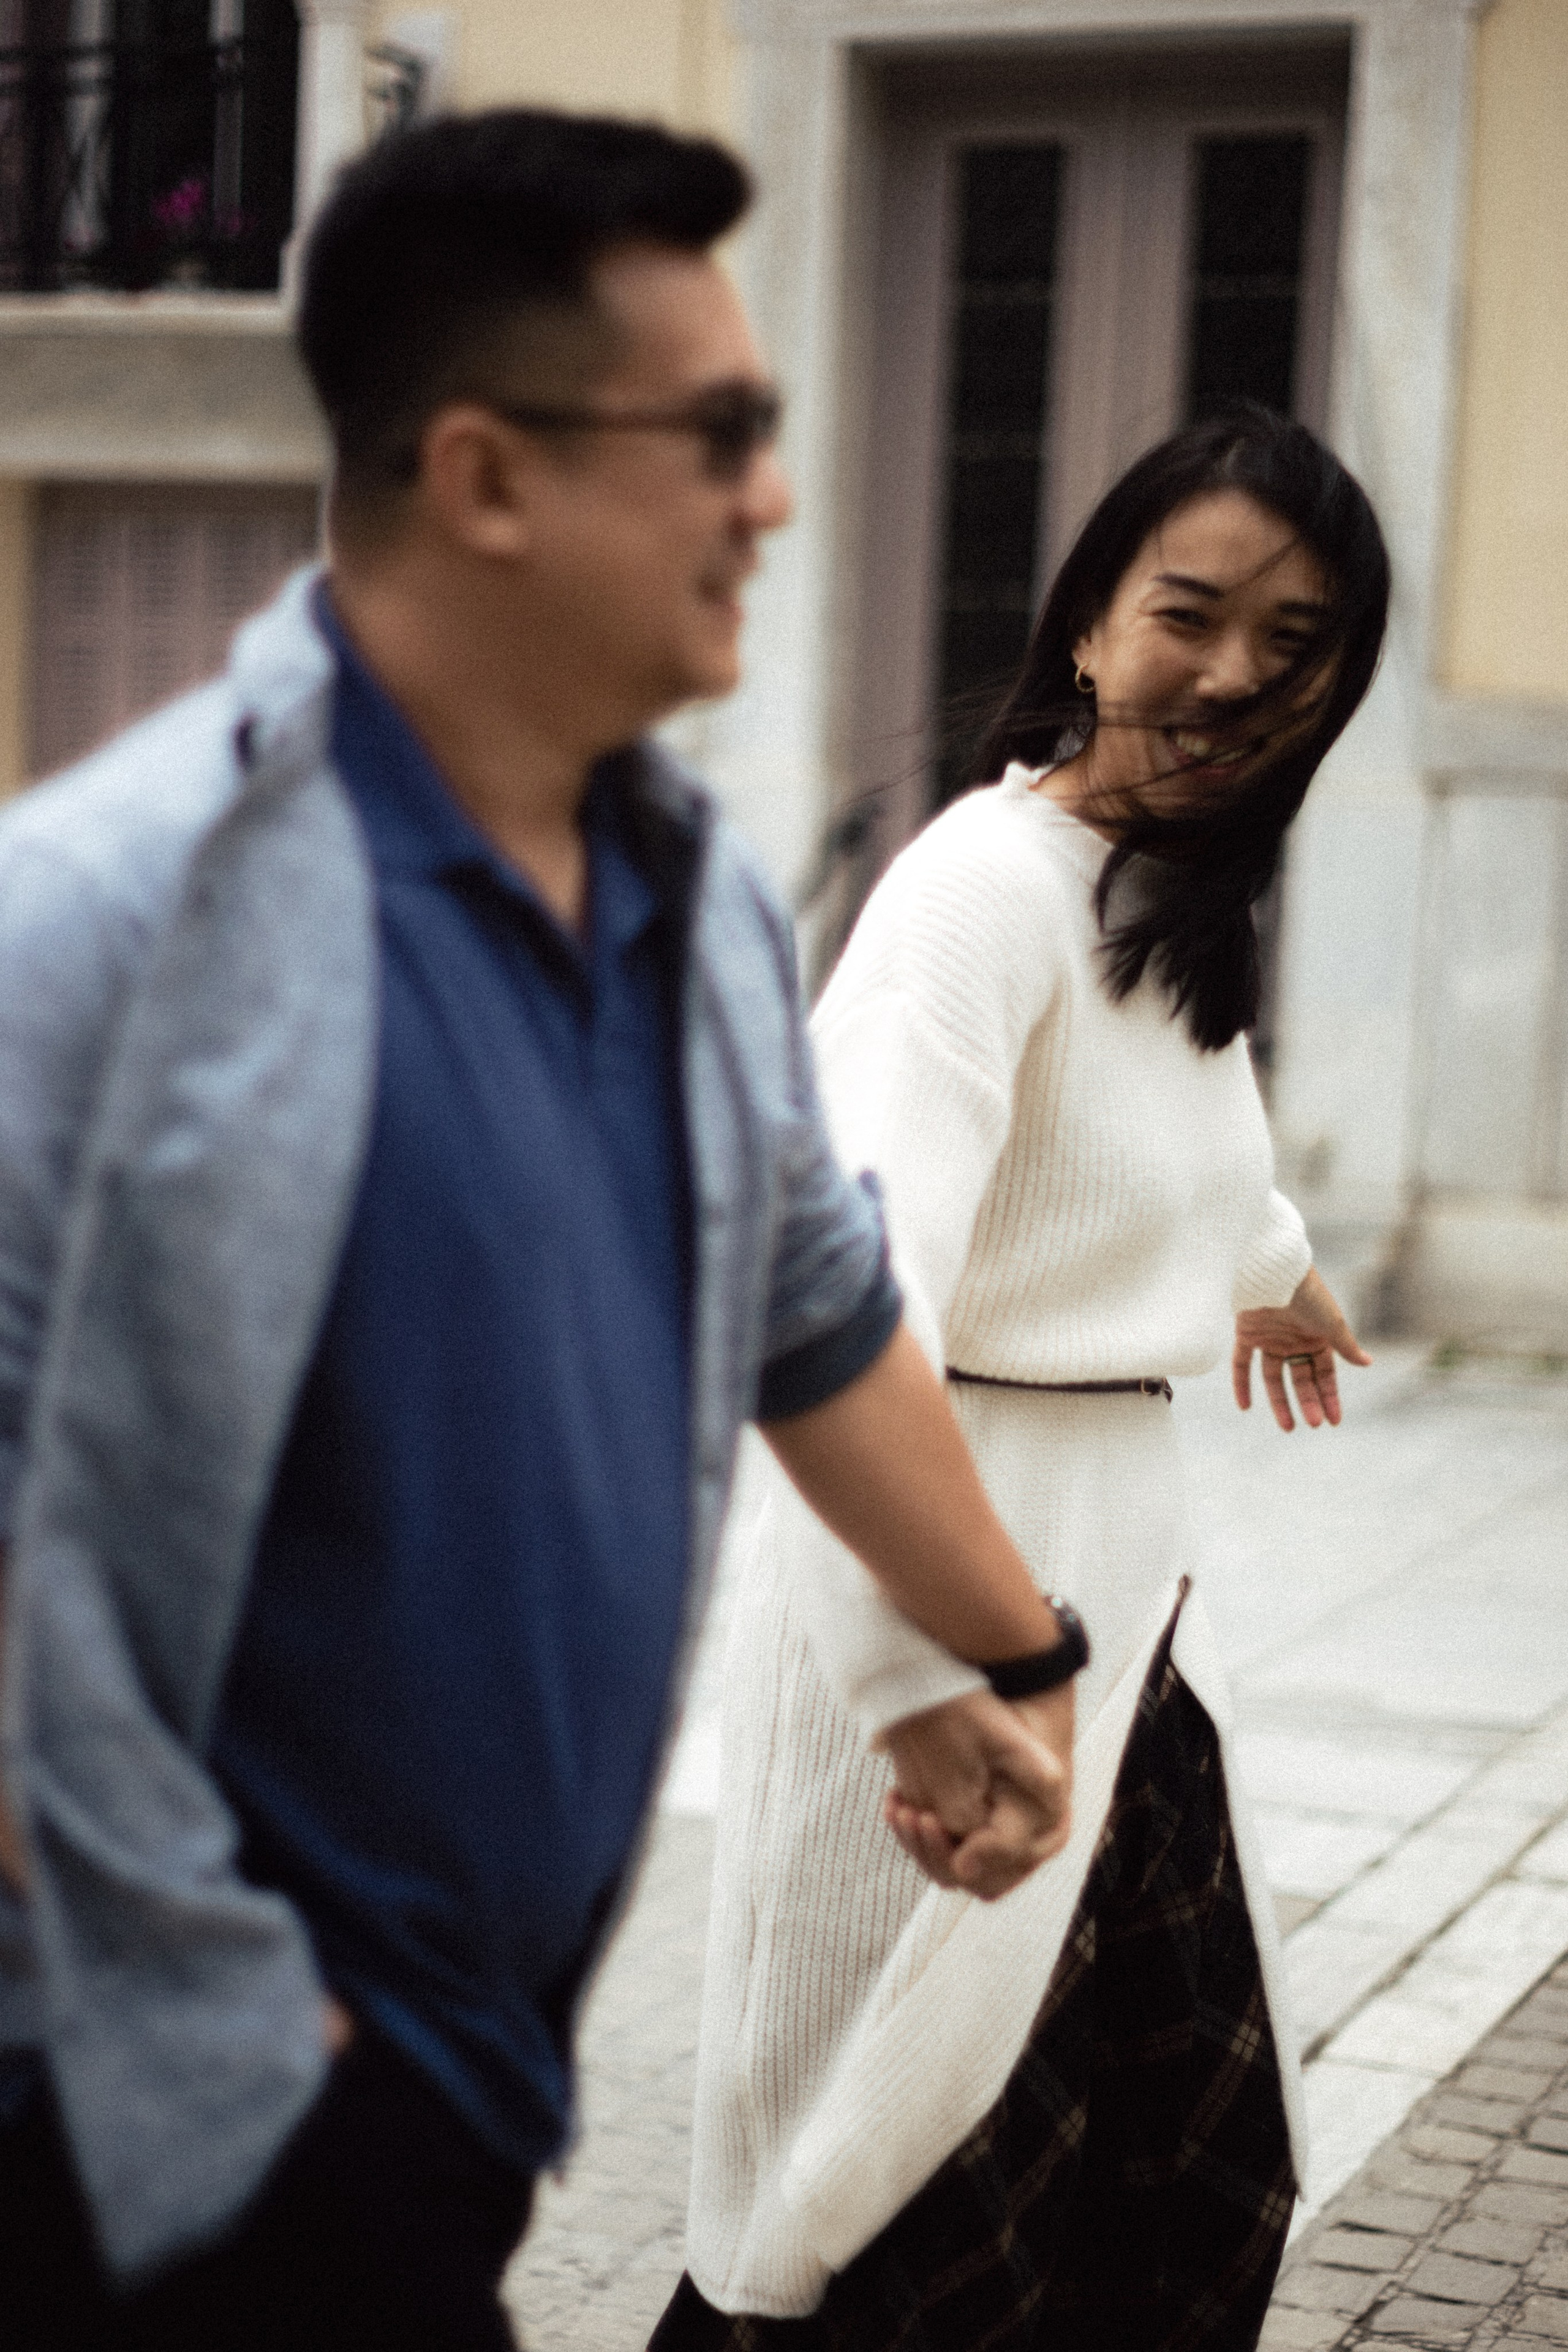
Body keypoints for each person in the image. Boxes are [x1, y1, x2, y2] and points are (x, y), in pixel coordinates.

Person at [0, 110, 1090, 2352]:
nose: (772, 500)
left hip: (460, 2105)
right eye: (716, 437)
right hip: (153, 2138)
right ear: (486, 476)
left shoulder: (690, 910)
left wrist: (1009, 1654)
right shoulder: (100, 934)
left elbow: (817, 1312)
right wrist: (238, 2042)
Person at [653, 405, 1392, 2352]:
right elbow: (831, 1308)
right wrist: (913, 1685)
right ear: (1086, 628)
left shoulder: (1161, 901)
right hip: (954, 1623)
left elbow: (1186, 1135)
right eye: (1191, 612)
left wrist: (1275, 1273)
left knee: (1174, 2188)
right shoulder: (979, 899)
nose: (1235, 673)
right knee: (892, 2213)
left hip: (1122, 1650)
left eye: (1295, 645)